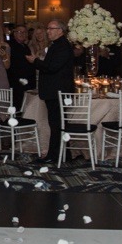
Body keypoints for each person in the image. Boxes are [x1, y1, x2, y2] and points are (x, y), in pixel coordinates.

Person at [26, 20, 74, 163]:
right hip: (54, 91)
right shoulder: (57, 45)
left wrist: (35, 61)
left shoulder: (63, 46)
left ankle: (56, 156)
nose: (48, 31)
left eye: (51, 28)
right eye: (48, 28)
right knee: (56, 123)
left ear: (60, 30)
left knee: (57, 124)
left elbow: (52, 67)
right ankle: (61, 155)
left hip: (58, 91)